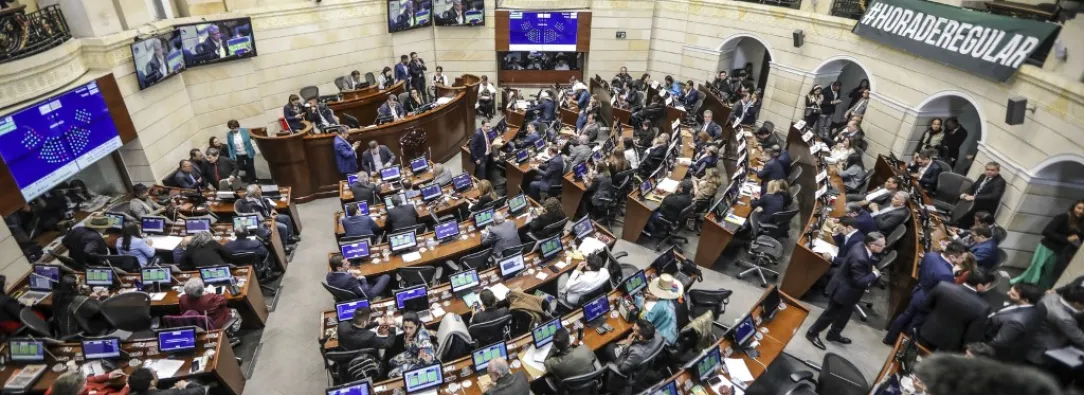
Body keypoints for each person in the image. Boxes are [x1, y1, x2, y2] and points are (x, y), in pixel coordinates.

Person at [806, 232, 885, 350]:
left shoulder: (860, 245)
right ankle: (812, 333)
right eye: (882, 245)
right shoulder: (860, 258)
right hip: (843, 291)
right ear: (872, 245)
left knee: (845, 315)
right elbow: (859, 281)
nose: (884, 247)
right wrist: (874, 274)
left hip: (849, 292)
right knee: (830, 314)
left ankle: (833, 334)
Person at [883, 242, 968, 344]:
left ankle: (889, 338)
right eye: (961, 258)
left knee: (906, 315)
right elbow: (944, 293)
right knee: (915, 324)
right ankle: (900, 345)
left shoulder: (930, 255)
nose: (963, 261)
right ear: (952, 257)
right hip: (927, 300)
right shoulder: (947, 274)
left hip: (918, 290)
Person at [915, 270, 995, 351]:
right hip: (948, 348)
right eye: (988, 286)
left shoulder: (943, 286)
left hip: (927, 333)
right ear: (980, 286)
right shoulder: (983, 308)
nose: (987, 288)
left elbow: (924, 307)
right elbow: (971, 337)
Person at [1013, 200, 1083, 289]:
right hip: (1046, 247)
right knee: (1035, 268)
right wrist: (1066, 239)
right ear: (1074, 207)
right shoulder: (1063, 217)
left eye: (1083, 209)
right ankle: (1022, 288)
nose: (1080, 211)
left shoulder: (1080, 223)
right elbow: (1046, 231)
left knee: (1049, 272)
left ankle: (1040, 289)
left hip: (1059, 251)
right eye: (1079, 208)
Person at [983, 283, 1042, 363]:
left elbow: (997, 343)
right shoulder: (1036, 307)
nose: (1008, 293)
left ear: (1026, 300)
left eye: (1013, 294)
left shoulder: (1015, 322)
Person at [1026, 285, 1084, 367]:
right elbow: (1080, 338)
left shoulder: (1052, 296)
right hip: (1043, 351)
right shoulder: (1064, 318)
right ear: (1076, 303)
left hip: (1033, 339)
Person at [387, 311, 436, 378]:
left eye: (411, 328)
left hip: (420, 364)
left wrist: (410, 369)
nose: (408, 331)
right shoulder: (412, 325)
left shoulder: (423, 337)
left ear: (417, 325)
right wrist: (394, 322)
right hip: (414, 352)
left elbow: (427, 363)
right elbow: (405, 325)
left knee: (391, 375)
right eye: (405, 327)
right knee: (391, 362)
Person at [958, 162, 1006, 229]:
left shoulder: (1000, 181)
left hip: (982, 208)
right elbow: (974, 186)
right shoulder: (983, 176)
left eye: (992, 170)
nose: (989, 172)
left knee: (968, 225)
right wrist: (965, 193)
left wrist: (974, 197)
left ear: (998, 171)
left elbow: (994, 196)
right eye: (987, 169)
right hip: (971, 204)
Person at [636, 273, 680, 344]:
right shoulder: (674, 297)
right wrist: (653, 297)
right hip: (674, 335)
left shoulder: (661, 305)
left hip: (664, 341)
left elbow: (644, 319)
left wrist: (642, 303)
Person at [127, 367, 208, 395]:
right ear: (151, 382)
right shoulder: (172, 393)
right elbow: (200, 390)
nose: (156, 371)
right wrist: (185, 385)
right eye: (154, 374)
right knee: (193, 380)